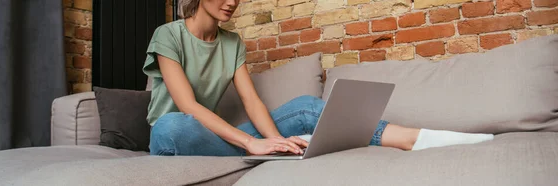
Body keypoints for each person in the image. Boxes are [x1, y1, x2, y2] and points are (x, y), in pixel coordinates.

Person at [142, 0, 494, 156]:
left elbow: (251, 101)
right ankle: (260, 150)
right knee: (174, 124)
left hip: (217, 139)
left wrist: (274, 142)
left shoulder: (232, 42)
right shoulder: (167, 35)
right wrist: (251, 143)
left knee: (306, 107)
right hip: (175, 136)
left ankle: (414, 138)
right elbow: (187, 105)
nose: (233, 2)